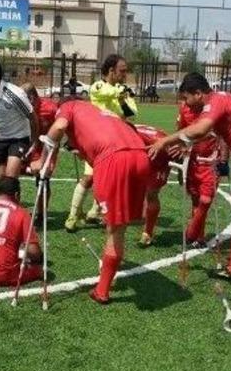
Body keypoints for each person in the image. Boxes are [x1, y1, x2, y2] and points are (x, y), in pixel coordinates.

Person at [148, 73, 231, 282]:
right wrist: (183, 144)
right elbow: (205, 133)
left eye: (186, 98)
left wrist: (164, 141)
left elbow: (200, 129)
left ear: (198, 94)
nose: (186, 104)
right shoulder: (223, 98)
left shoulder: (215, 101)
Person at [39, 99, 150, 304]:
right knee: (120, 226)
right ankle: (110, 266)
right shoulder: (99, 111)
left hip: (115, 158)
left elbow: (59, 126)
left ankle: (102, 291)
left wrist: (43, 159)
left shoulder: (69, 106)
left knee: (115, 230)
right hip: (140, 155)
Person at [65, 54, 138, 232]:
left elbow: (132, 112)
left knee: (107, 180)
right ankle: (73, 215)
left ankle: (94, 212)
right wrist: (121, 93)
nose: (125, 74)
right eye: (122, 71)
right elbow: (106, 93)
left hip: (117, 142)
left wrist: (123, 99)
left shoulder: (122, 90)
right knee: (89, 177)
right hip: (97, 141)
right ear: (111, 71)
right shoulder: (98, 85)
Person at [171, 101, 225, 249]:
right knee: (195, 200)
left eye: (187, 97)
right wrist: (181, 161)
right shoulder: (184, 109)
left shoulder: (214, 108)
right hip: (192, 162)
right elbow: (181, 133)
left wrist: (224, 160)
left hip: (210, 162)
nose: (186, 101)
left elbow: (219, 134)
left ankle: (192, 233)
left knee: (205, 200)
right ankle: (198, 237)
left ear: (197, 94)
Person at [0, 58, 39, 178]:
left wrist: (33, 143)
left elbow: (33, 118)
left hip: (18, 139)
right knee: (2, 180)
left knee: (10, 178)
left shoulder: (14, 94)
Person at [22, 82, 59, 223]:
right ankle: (13, 211)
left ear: (31, 97)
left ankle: (41, 214)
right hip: (28, 144)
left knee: (43, 178)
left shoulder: (50, 108)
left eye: (24, 98)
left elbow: (62, 126)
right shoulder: (23, 107)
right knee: (12, 172)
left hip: (46, 147)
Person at [134, 124, 176, 247]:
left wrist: (180, 172)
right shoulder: (128, 132)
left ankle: (147, 233)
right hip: (146, 155)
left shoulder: (159, 142)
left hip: (160, 160)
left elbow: (176, 152)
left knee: (151, 193)